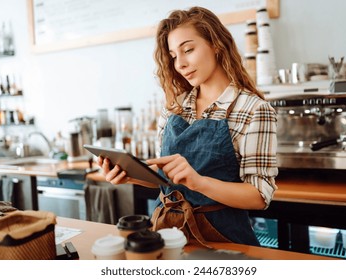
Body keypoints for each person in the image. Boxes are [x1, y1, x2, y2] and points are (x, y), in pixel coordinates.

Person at [98, 6, 278, 247]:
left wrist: (199, 182)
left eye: (188, 50)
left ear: (216, 44)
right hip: (166, 234)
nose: (180, 64)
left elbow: (259, 196)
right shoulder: (173, 107)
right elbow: (165, 180)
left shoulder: (253, 109)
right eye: (173, 56)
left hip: (222, 240)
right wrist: (131, 175)